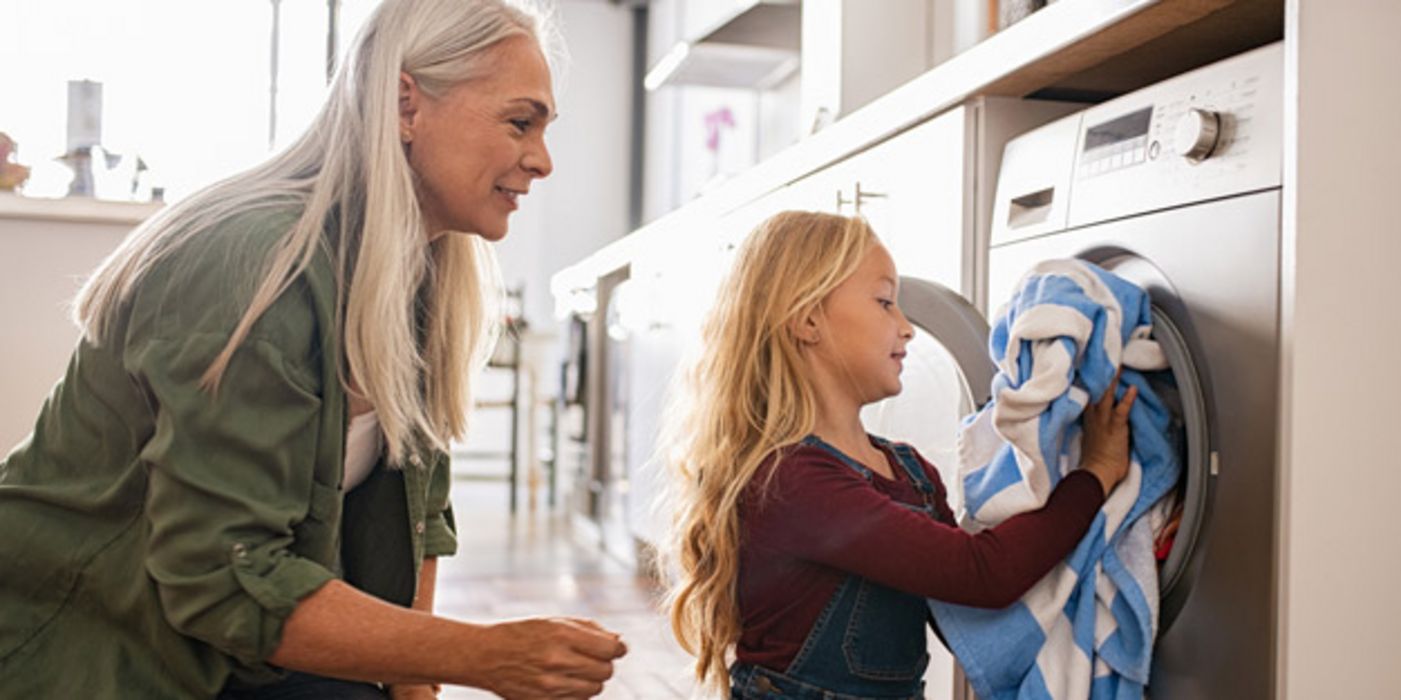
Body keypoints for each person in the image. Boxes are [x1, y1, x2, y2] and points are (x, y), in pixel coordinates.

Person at [0, 1, 627, 698]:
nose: (540, 161)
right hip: (87, 649)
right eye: (520, 122)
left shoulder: (416, 280)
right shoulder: (249, 266)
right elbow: (222, 577)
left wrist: (412, 683)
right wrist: (478, 656)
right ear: (404, 105)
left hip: (233, 644)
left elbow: (419, 520)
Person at [660, 211, 1137, 699]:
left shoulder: (908, 471)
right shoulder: (791, 481)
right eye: (885, 302)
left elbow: (968, 606)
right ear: (808, 320)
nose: (907, 327)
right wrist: (1095, 473)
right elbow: (984, 575)